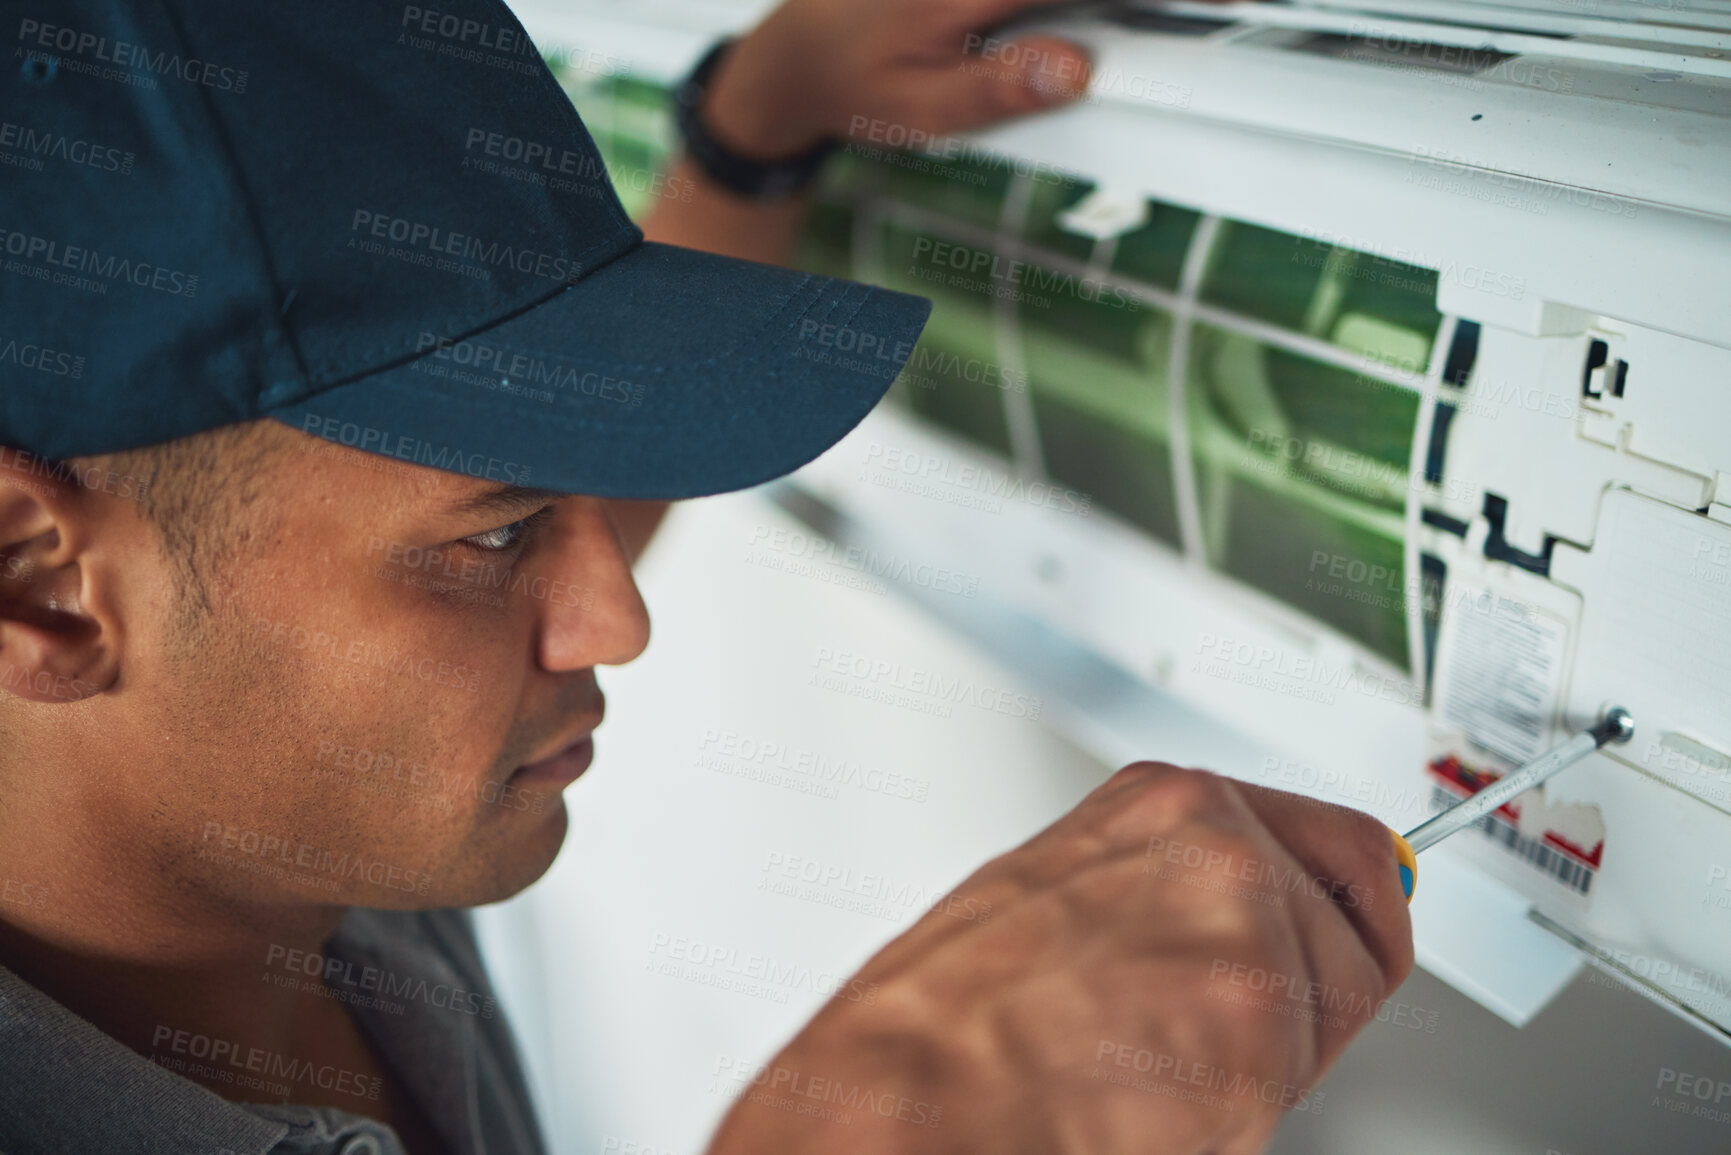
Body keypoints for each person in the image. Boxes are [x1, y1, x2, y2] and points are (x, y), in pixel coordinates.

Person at [0, 0, 1412, 1152]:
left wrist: (757, 129)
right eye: (495, 540)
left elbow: (427, 505)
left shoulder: (273, 801)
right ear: (39, 587)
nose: (616, 619)